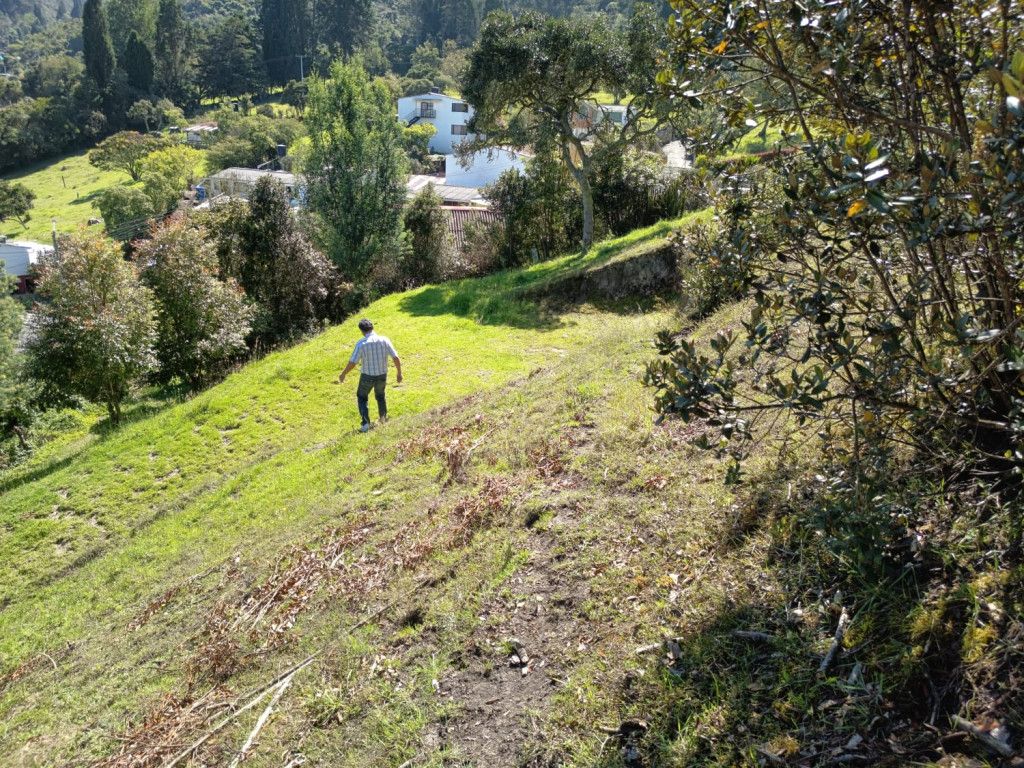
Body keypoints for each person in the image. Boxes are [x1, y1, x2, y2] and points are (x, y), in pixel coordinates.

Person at [338, 319, 403, 432]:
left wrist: (343, 373)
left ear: (362, 330)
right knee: (380, 396)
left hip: (367, 376)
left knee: (362, 397)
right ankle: (383, 419)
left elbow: (353, 362)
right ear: (372, 327)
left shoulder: (361, 344)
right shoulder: (384, 340)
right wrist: (399, 373)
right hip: (382, 375)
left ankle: (365, 424)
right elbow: (395, 357)